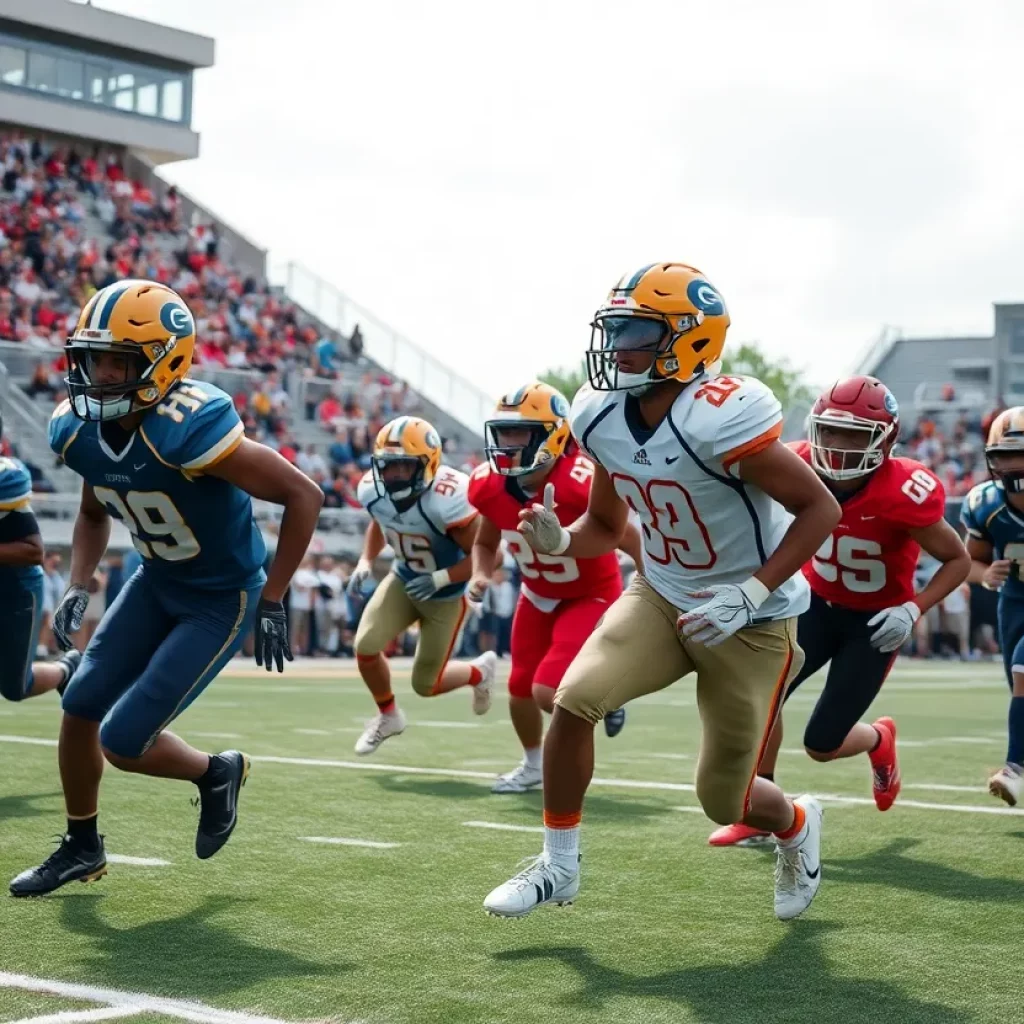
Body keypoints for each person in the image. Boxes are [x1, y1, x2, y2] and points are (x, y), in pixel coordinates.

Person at [483, 262, 841, 922]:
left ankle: (794, 821)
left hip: (751, 621)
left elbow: (821, 508)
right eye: (614, 330)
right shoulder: (601, 415)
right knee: (575, 700)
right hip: (661, 592)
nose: (618, 348)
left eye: (636, 333)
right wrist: (560, 540)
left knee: (722, 799)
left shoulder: (723, 416)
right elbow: (604, 527)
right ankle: (559, 866)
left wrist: (752, 592)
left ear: (689, 340)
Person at [10, 279, 324, 897]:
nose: (98, 375)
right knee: (78, 706)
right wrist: (79, 582)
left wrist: (274, 595)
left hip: (218, 596)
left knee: (123, 740)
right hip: (154, 581)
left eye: (117, 362)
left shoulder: (190, 427)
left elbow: (302, 494)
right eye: (93, 359)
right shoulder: (78, 430)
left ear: (163, 362)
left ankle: (216, 772)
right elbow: (95, 511)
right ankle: (81, 846)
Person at [709, 376, 970, 847]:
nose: (837, 444)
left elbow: (958, 559)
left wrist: (913, 610)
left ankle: (877, 740)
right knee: (765, 697)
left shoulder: (904, 490)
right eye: (829, 430)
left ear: (885, 440)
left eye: (854, 434)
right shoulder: (797, 464)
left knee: (821, 745)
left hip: (874, 623)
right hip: (814, 605)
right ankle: (759, 809)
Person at [467, 381, 642, 793]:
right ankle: (533, 765)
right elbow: (485, 541)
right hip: (536, 592)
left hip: (590, 591)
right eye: (504, 433)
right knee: (518, 688)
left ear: (553, 434)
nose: (508, 444)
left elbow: (630, 537)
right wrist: (479, 573)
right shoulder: (490, 485)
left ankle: (608, 693)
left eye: (520, 434)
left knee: (549, 691)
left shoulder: (580, 480)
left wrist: (650, 584)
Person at [348, 416, 496, 755]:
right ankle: (388, 716)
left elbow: (488, 557)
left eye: (403, 467)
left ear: (427, 464)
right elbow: (379, 520)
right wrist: (366, 561)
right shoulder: (373, 489)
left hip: (446, 594)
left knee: (426, 685)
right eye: (388, 466)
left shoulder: (450, 497)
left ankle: (478, 671)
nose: (394, 475)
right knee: (366, 645)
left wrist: (441, 578)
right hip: (404, 577)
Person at [962, 407, 1024, 805]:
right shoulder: (986, 503)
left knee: (1023, 668)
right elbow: (969, 561)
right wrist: (985, 575)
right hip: (1015, 604)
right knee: (1018, 686)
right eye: (1001, 455)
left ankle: (1015, 768)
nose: (1007, 464)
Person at [0, 408, 81, 706]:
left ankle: (67, 667)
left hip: (15, 591)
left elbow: (34, 551)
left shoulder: (6, 478)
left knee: (16, 686)